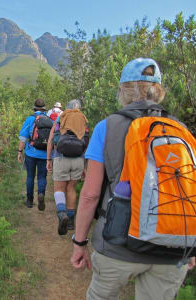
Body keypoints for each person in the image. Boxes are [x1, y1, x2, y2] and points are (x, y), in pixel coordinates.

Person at [70, 58, 195, 300]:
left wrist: (79, 242)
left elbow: (90, 194)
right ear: (158, 90)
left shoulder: (108, 127)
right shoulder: (181, 130)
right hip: (172, 248)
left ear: (124, 90)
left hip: (117, 244)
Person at [46, 99, 88, 235]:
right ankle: (70, 221)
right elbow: (86, 142)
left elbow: (52, 139)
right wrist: (85, 165)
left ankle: (62, 214)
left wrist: (48, 159)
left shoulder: (60, 118)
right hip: (78, 159)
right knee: (71, 189)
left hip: (61, 156)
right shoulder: (83, 119)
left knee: (59, 189)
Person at [18, 98, 51, 210]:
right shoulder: (50, 120)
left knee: (30, 177)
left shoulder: (29, 120)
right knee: (42, 176)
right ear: (44, 108)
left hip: (31, 153)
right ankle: (41, 194)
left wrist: (19, 151)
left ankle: (29, 201)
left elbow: (23, 137)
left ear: (35, 108)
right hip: (44, 154)